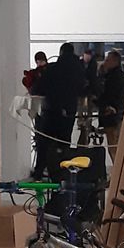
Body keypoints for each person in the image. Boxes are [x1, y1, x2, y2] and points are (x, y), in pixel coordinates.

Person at [31, 43, 88, 177]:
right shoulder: (79, 71)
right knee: (64, 144)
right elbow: (83, 89)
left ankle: (39, 172)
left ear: (60, 53)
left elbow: (38, 88)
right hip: (68, 111)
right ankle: (62, 173)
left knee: (44, 143)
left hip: (51, 110)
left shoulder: (52, 68)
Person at [98, 49, 124, 150]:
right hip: (116, 116)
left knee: (113, 147)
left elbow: (109, 96)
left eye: (107, 60)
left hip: (113, 117)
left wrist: (100, 103)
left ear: (115, 62)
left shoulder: (114, 78)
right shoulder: (117, 76)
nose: (105, 63)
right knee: (114, 146)